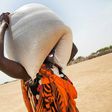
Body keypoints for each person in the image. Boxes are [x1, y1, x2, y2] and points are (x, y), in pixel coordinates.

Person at [0, 13, 79, 112]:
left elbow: (72, 47)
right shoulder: (30, 74)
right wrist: (3, 25)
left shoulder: (55, 64)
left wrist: (50, 27)